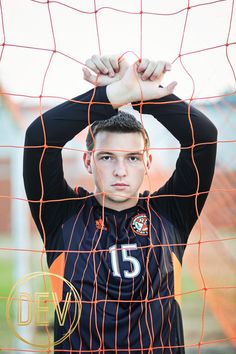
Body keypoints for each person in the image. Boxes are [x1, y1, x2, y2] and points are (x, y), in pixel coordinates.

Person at [23, 55, 217, 354]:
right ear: (88, 161)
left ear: (147, 162)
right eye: (107, 157)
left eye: (132, 158)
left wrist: (144, 96)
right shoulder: (60, 215)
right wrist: (111, 96)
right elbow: (39, 136)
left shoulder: (171, 213)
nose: (120, 171)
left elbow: (204, 136)